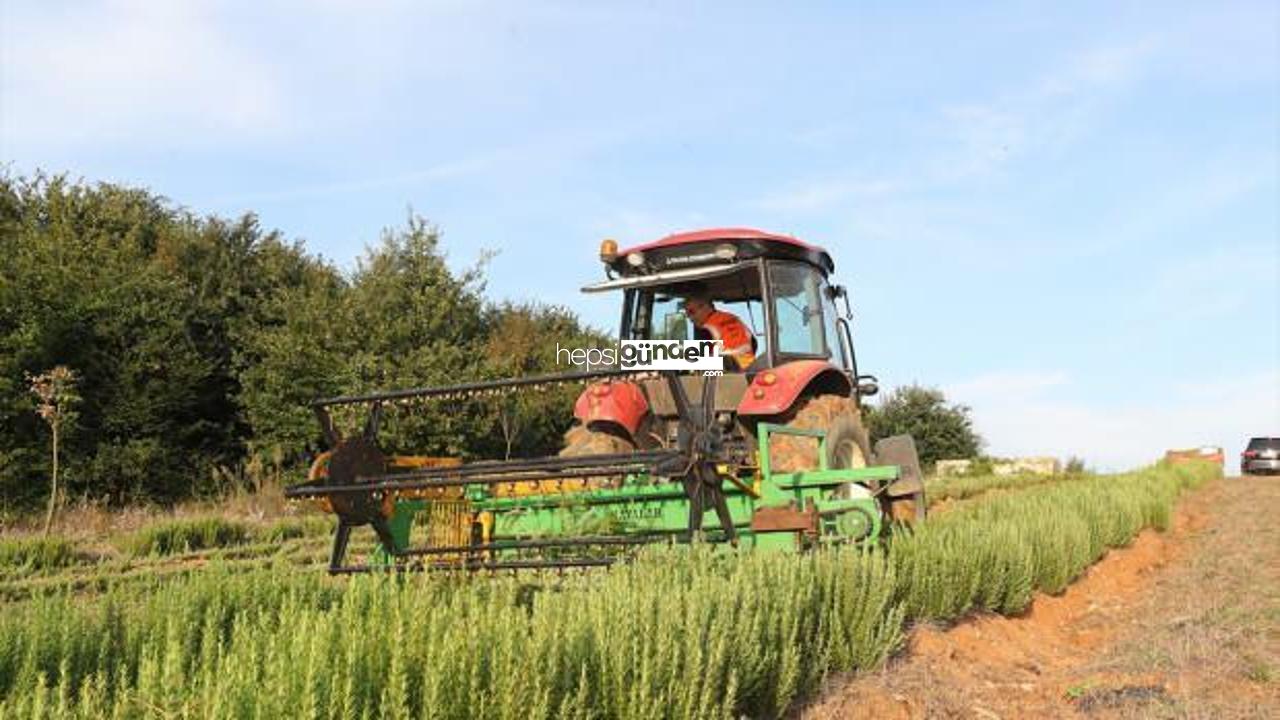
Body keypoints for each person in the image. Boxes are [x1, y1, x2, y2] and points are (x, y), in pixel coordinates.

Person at [682, 294, 756, 371]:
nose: (690, 318)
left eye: (692, 312)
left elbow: (695, 359)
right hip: (749, 370)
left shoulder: (706, 329)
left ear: (705, 307)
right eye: (687, 314)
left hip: (726, 373)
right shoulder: (733, 318)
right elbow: (753, 343)